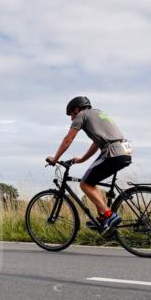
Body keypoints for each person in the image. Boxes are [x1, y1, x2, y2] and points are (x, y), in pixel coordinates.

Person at [46, 96, 132, 233]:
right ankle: (103, 217)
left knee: (85, 184)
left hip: (112, 151)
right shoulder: (98, 113)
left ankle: (109, 215)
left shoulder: (81, 115)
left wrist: (55, 159)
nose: (71, 119)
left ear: (76, 109)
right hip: (124, 150)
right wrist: (81, 160)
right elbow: (96, 143)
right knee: (92, 182)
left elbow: (68, 139)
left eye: (71, 115)